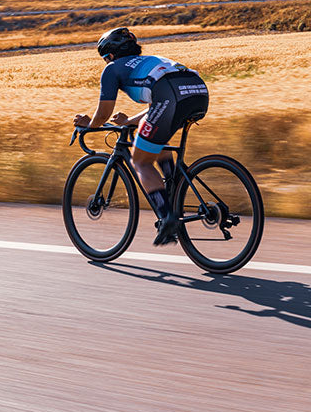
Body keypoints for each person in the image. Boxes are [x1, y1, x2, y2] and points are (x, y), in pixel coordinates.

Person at [74, 27, 210, 247]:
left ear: (109, 55)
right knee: (154, 136)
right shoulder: (149, 61)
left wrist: (89, 124)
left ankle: (168, 216)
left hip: (171, 95)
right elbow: (159, 106)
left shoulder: (112, 69)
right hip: (198, 90)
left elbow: (104, 112)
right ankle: (172, 188)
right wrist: (129, 122)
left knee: (140, 160)